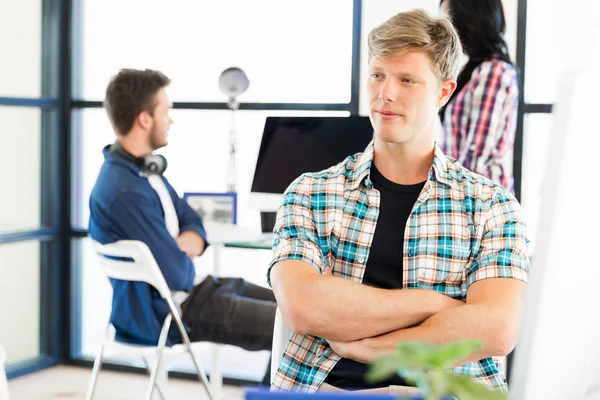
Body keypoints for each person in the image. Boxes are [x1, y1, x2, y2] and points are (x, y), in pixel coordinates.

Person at [268, 9, 529, 393]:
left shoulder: (491, 206)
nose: (385, 93)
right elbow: (304, 307)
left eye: (407, 80)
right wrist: (433, 304)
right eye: (377, 75)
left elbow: (495, 329)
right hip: (326, 388)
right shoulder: (310, 193)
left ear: (443, 92)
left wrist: (372, 347)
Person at [88, 68, 276, 383]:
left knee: (293, 307)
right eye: (166, 112)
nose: (171, 121)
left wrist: (189, 242)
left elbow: (190, 218)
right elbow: (175, 274)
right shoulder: (124, 191)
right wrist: (180, 250)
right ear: (144, 119)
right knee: (295, 326)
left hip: (196, 289)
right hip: (173, 311)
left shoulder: (144, 171)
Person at [439, 0, 519, 192]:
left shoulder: (492, 72)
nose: (448, 33)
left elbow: (476, 156)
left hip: (480, 200)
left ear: (472, 21)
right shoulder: (474, 71)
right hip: (469, 194)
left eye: (450, 22)